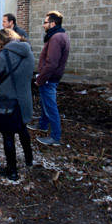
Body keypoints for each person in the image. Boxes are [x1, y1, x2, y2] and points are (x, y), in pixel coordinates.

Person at [0, 29, 34, 181]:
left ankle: (12, 172)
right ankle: (29, 160)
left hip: (9, 103)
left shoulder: (3, 55)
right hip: (25, 99)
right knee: (23, 129)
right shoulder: (28, 50)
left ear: (0, 42)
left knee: (8, 135)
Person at [28, 11, 70, 146]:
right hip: (50, 77)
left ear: (53, 23)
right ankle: (42, 125)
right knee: (46, 103)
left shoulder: (56, 38)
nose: (43, 25)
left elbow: (51, 63)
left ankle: (55, 137)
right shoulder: (60, 35)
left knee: (51, 107)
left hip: (49, 78)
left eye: (45, 22)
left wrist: (40, 79)